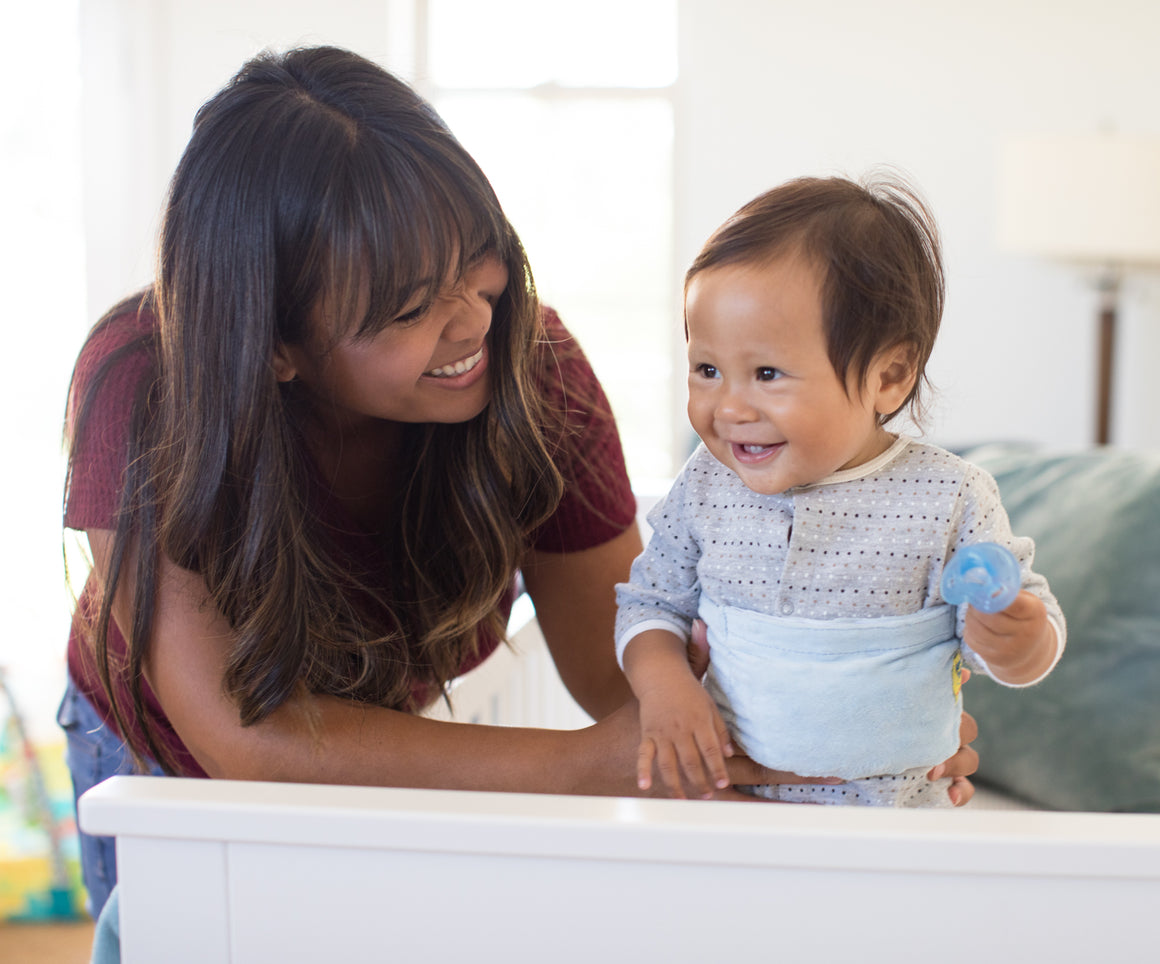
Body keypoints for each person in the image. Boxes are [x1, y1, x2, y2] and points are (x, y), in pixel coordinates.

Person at [59, 48, 983, 934]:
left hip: (359, 744)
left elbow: (605, 664)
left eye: (476, 259)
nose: (474, 320)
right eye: (410, 307)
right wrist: (589, 765)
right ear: (276, 343)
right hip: (161, 764)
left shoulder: (533, 370)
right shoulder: (142, 384)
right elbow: (247, 741)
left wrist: (850, 735)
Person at [616, 174, 1065, 806]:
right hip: (726, 812)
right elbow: (649, 606)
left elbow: (1019, 631)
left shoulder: (949, 496)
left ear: (890, 376)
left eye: (767, 373)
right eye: (707, 369)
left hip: (896, 826)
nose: (730, 407)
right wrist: (666, 691)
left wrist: (1015, 639)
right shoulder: (706, 483)